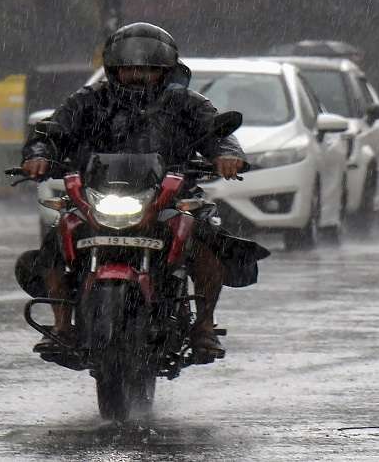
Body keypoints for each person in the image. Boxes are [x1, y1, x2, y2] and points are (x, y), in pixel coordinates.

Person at [20, 22, 248, 359]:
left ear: (166, 71)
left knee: (207, 236)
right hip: (98, 195)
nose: (138, 75)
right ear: (114, 69)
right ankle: (61, 325)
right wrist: (39, 156)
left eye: (148, 69)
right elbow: (51, 131)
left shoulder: (186, 103)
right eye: (130, 68)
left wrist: (227, 155)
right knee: (58, 236)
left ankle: (204, 325)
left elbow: (217, 133)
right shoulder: (88, 100)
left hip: (170, 195)